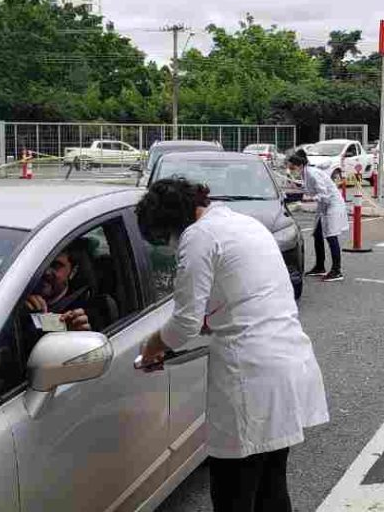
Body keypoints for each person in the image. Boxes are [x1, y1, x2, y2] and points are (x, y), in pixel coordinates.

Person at [136, 178, 329, 512]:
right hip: (289, 360)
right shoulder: (243, 224)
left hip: (251, 374)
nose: (167, 244)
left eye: (163, 236)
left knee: (232, 490)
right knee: (271, 480)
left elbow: (184, 324)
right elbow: (247, 294)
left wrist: (153, 345)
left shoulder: (198, 236)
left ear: (171, 223)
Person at [287, 149, 348, 282]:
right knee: (317, 234)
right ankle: (320, 266)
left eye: (292, 166)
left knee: (331, 235)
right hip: (324, 206)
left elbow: (324, 195)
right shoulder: (305, 173)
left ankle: (337, 270)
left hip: (332, 204)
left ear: (299, 165)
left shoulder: (312, 173)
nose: (290, 169)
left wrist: (309, 199)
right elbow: (307, 188)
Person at [23, 240, 95, 333]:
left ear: (73, 271)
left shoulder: (82, 312)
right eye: (40, 264)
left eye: (56, 265)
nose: (46, 272)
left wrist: (68, 330)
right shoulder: (13, 296)